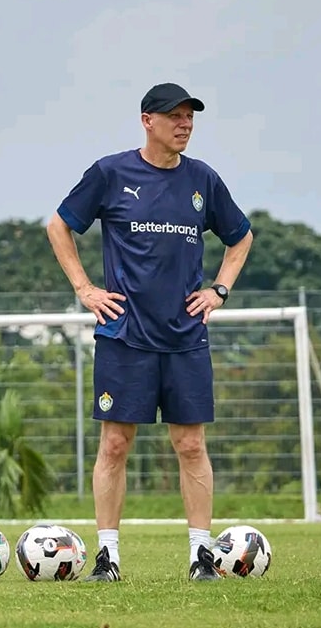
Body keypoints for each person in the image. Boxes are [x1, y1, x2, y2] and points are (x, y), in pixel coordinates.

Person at [46, 83, 254, 582]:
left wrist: (219, 291)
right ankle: (108, 557)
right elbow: (59, 225)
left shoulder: (203, 179)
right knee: (115, 444)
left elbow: (241, 236)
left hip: (185, 338)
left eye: (190, 117)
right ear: (147, 120)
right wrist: (85, 288)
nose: (184, 124)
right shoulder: (111, 172)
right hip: (124, 337)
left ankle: (201, 557)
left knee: (190, 445)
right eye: (175, 116)